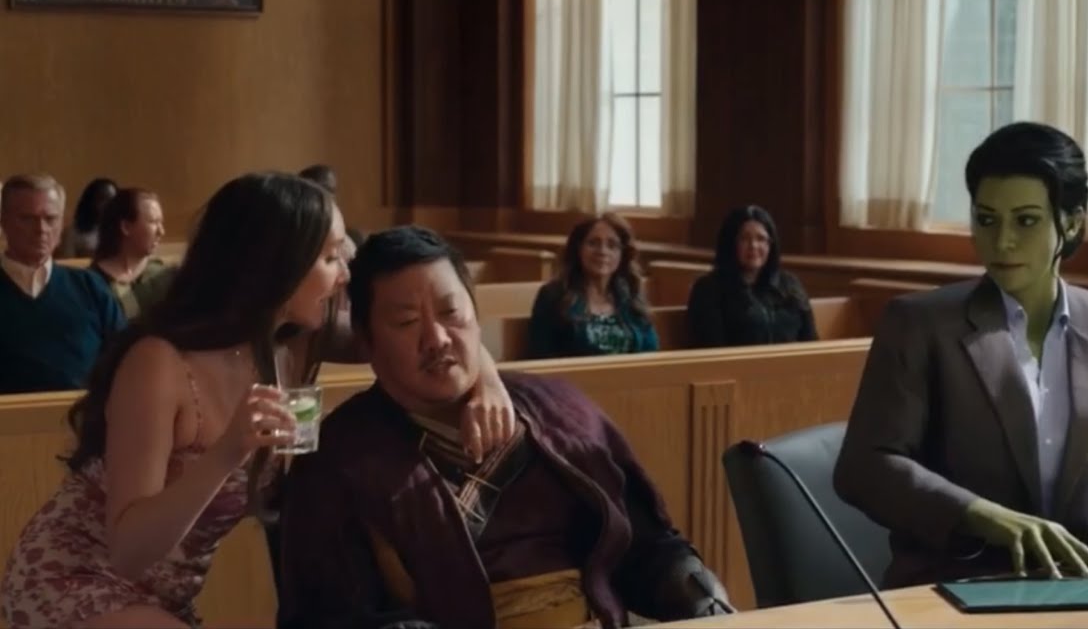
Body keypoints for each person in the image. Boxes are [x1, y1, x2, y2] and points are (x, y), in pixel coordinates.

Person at [0, 173, 516, 629]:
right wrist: (226, 454)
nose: (345, 274)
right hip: (74, 575)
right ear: (277, 266)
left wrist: (489, 384)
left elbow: (434, 340)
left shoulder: (299, 340)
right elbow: (128, 551)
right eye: (330, 257)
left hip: (167, 597)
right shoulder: (159, 363)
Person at [277, 227, 732, 629]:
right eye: (407, 322)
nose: (437, 339)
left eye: (451, 313)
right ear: (366, 340)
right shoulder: (340, 457)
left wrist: (696, 590)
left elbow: (648, 548)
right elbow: (331, 615)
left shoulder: (559, 409)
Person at [832, 122, 1088, 588]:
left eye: (1025, 220)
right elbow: (865, 468)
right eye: (986, 220)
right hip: (955, 588)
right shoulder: (919, 326)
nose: (1002, 242)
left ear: (1072, 222)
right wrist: (983, 516)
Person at [0, 174, 125, 394]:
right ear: (4, 222)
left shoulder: (90, 287)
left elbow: (125, 357)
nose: (41, 229)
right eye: (27, 219)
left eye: (50, 219)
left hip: (83, 412)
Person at [527, 213, 658, 359]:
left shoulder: (630, 295)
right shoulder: (553, 296)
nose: (602, 251)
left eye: (612, 245)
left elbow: (650, 351)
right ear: (578, 249)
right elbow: (542, 355)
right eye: (593, 243)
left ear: (623, 254)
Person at [685, 205, 817, 348]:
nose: (753, 245)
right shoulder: (708, 289)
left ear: (771, 245)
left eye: (761, 239)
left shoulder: (790, 285)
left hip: (792, 362)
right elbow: (712, 349)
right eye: (744, 239)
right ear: (730, 243)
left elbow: (811, 342)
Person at [90, 188, 173, 319]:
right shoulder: (92, 283)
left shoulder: (164, 276)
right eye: (153, 222)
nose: (161, 232)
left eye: (160, 222)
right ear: (126, 227)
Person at [58, 177, 118, 258]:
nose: (108, 205)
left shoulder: (123, 230)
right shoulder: (74, 231)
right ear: (90, 201)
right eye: (102, 199)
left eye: (112, 200)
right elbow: (67, 261)